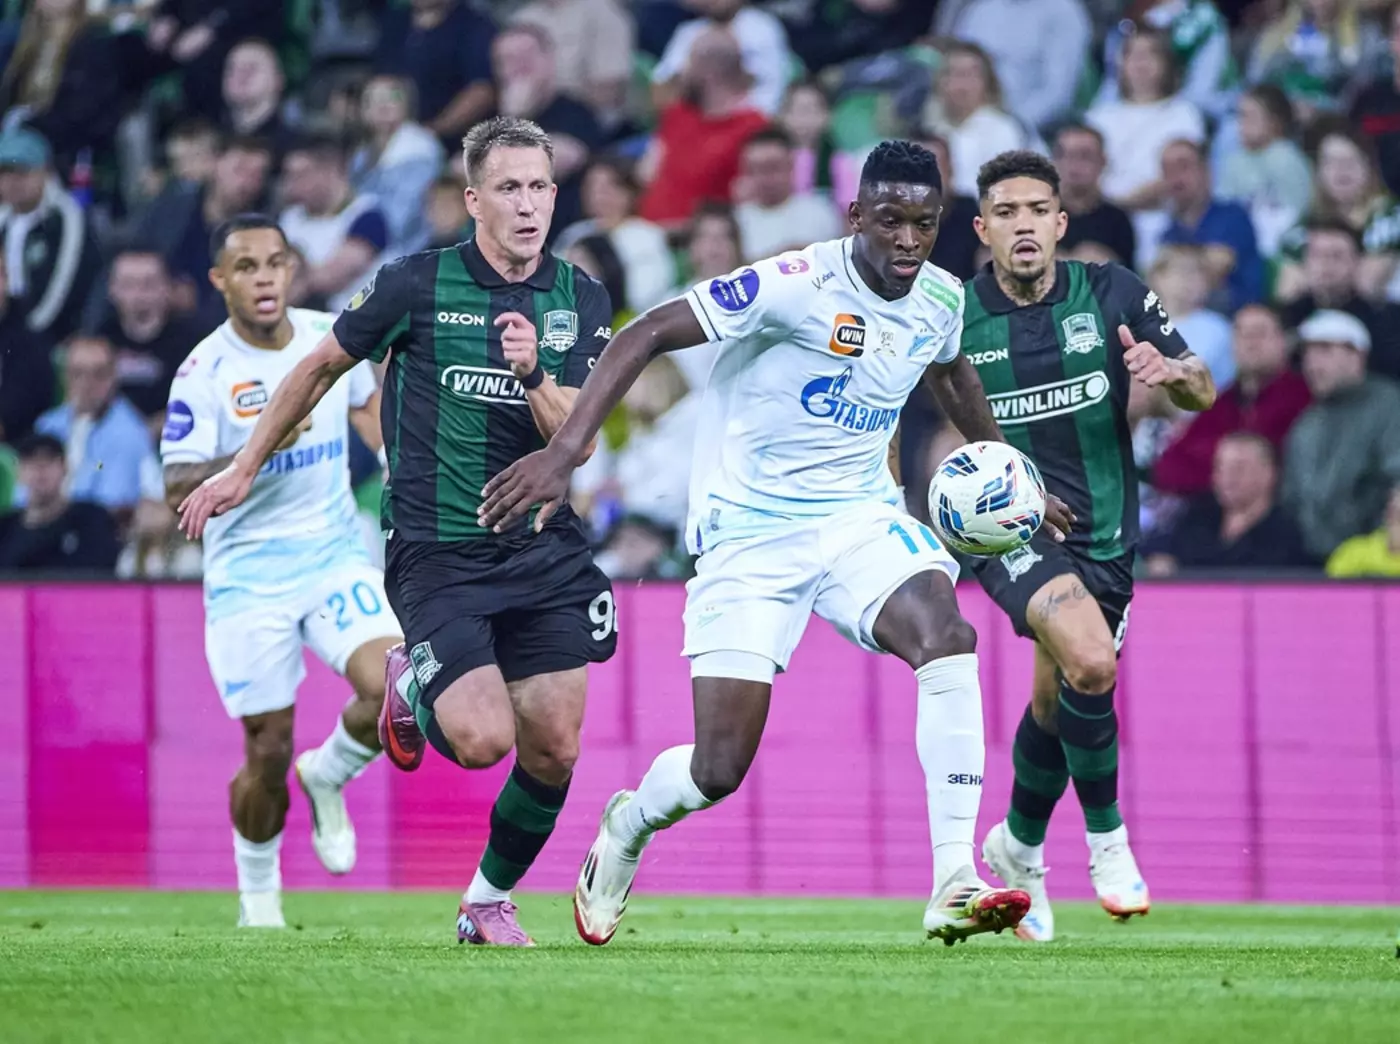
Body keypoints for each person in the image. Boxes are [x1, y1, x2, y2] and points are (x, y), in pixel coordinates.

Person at [478, 140, 1076, 946]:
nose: (907, 240)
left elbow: (951, 371)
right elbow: (647, 331)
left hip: (858, 517)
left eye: (924, 224)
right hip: (750, 533)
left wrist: (1011, 474)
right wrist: (565, 451)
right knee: (717, 768)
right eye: (890, 221)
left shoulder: (939, 296)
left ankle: (954, 879)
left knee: (948, 636)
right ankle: (628, 824)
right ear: (855, 215)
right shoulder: (793, 284)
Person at [176, 119, 618, 948]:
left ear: (556, 195)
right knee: (482, 742)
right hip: (439, 551)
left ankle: (485, 903)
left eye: (539, 187)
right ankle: (410, 686)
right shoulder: (414, 284)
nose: (528, 205)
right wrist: (241, 468)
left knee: (555, 749)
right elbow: (317, 368)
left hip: (543, 550)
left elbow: (580, 441)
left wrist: (531, 373)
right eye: (509, 189)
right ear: (474, 200)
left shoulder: (580, 297)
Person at [958, 150, 1216, 942]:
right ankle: (1109, 842)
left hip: (1106, 536)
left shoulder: (1113, 292)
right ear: (983, 228)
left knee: (1058, 699)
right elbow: (899, 407)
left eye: (1038, 210)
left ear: (1061, 223)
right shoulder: (953, 314)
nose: (1024, 224)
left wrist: (1168, 372)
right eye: (1007, 212)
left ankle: (1019, 847)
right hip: (1009, 527)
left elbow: (1204, 389)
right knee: (1095, 664)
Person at [160, 214, 403, 929]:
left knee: (400, 689)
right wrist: (258, 446)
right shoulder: (204, 372)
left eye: (275, 263)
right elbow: (177, 486)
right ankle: (260, 899)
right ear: (220, 280)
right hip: (248, 580)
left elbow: (369, 408)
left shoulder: (328, 336)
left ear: (292, 269)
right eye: (247, 267)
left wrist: (396, 463)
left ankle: (329, 773)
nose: (264, 278)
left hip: (332, 556)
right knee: (268, 751)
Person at [0, 433, 120, 574]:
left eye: (49, 461)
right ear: (18, 472)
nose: (40, 470)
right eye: (31, 462)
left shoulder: (91, 519)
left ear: (65, 468)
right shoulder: (5, 528)